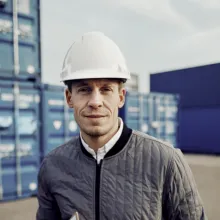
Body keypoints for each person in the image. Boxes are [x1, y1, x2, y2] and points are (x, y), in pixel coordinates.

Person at [36, 31, 207, 220]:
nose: (95, 101)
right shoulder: (53, 167)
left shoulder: (166, 162)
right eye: (84, 89)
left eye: (106, 89)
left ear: (121, 97)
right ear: (69, 98)